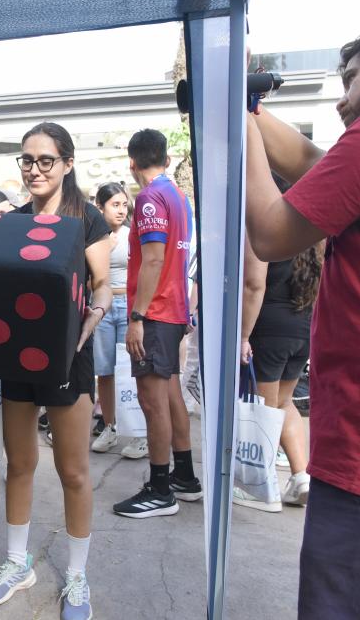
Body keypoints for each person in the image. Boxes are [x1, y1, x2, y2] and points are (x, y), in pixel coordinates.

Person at [245, 18, 360, 618]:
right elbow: (317, 165)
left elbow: (271, 234)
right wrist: (251, 112)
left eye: (351, 78)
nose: (343, 98)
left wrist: (237, 128)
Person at [0, 122, 111, 620]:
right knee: (18, 464)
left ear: (67, 164)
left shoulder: (87, 219)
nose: (35, 169)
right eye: (27, 160)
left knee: (73, 471)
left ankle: (77, 575)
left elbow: (102, 284)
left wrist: (95, 316)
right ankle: (18, 563)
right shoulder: (12, 221)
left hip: (70, 354)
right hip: (16, 355)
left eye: (45, 160)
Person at [113, 129, 202, 519]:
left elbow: (153, 259)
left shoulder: (150, 198)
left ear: (132, 163)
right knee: (170, 395)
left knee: (154, 403)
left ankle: (161, 488)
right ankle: (184, 477)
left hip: (156, 313)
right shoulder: (178, 197)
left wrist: (137, 316)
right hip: (173, 311)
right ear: (166, 160)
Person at [237, 180, 320, 513]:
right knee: (284, 403)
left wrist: (243, 335)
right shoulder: (310, 232)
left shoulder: (265, 229)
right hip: (303, 327)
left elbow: (254, 284)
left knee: (265, 408)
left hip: (270, 329)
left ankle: (264, 486)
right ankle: (301, 478)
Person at [91, 181, 131, 454]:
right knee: (104, 372)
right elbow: (89, 278)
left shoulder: (132, 234)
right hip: (102, 307)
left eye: (124, 205)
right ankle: (109, 427)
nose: (121, 210)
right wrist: (105, 248)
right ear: (100, 207)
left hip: (128, 305)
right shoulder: (94, 238)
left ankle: (139, 432)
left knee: (130, 370)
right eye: (115, 205)